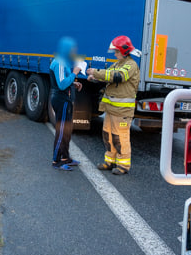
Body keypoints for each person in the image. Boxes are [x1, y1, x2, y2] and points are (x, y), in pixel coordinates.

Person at [86, 36, 140, 175]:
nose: (115, 55)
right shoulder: (117, 64)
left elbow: (118, 76)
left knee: (120, 137)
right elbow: (108, 76)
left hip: (122, 111)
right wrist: (95, 78)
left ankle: (123, 165)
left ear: (124, 51)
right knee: (108, 135)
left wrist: (96, 72)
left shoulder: (131, 65)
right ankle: (110, 161)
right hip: (111, 110)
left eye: (116, 52)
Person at [49, 37, 83, 171]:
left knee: (67, 130)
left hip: (66, 99)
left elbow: (62, 81)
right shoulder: (60, 63)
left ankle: (65, 157)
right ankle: (56, 160)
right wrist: (75, 73)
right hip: (61, 100)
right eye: (72, 49)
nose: (74, 51)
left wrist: (73, 83)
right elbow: (62, 84)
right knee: (62, 130)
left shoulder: (63, 61)